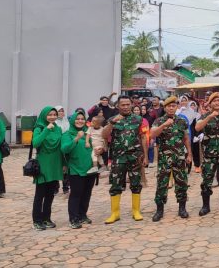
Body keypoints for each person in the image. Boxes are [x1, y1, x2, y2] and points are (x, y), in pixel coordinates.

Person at [103, 96, 147, 224]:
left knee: (136, 184)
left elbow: (143, 137)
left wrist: (146, 157)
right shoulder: (112, 120)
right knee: (116, 184)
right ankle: (115, 213)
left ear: (131, 105)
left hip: (135, 157)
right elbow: (104, 135)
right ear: (118, 106)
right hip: (118, 158)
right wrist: (111, 123)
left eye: (128, 104)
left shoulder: (139, 119)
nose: (126, 107)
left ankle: (136, 211)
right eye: (123, 105)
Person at [150, 96, 193, 222]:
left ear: (177, 107)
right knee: (162, 183)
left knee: (182, 182)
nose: (171, 108)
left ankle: (182, 208)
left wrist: (189, 154)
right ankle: (159, 210)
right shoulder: (158, 121)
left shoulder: (182, 121)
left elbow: (186, 138)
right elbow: (152, 135)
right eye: (169, 106)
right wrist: (164, 125)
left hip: (179, 157)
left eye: (174, 106)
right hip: (164, 158)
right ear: (165, 108)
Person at [31, 106, 64, 230]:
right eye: (49, 115)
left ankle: (46, 218)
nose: (52, 117)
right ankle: (37, 220)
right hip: (43, 165)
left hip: (55, 164)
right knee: (40, 194)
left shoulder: (58, 129)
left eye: (54, 115)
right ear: (44, 115)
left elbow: (61, 147)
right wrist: (46, 130)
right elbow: (36, 143)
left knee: (50, 194)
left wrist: (64, 165)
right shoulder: (39, 128)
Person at [61, 112, 96, 229]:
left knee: (87, 193)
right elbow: (65, 149)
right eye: (77, 119)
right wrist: (76, 138)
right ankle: (74, 218)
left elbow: (95, 145)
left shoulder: (89, 132)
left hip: (90, 168)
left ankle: (82, 214)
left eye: (82, 119)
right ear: (72, 121)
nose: (80, 121)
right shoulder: (68, 134)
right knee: (76, 194)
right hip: (76, 168)